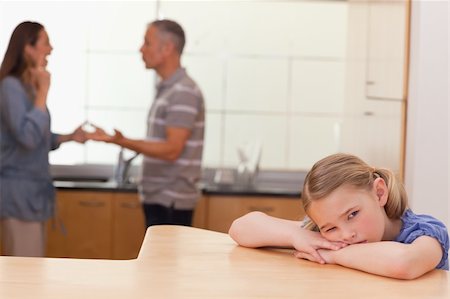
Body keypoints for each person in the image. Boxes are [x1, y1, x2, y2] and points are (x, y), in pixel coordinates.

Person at [229, 153, 449, 279]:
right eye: (330, 228)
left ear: (379, 193)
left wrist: (334, 255)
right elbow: (241, 228)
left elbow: (404, 263)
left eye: (352, 214)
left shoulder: (425, 232)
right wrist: (298, 236)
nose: (346, 235)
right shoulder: (326, 236)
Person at [87, 19, 205, 227]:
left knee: (166, 260)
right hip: (162, 198)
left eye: (147, 42)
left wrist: (122, 141)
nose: (141, 49)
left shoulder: (183, 92)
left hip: (171, 200)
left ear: (167, 48)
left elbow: (171, 150)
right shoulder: (168, 90)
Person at [0, 21, 87, 257]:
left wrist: (70, 137)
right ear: (28, 48)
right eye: (45, 43)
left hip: (33, 196)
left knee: (32, 268)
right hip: (19, 197)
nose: (51, 48)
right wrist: (44, 92)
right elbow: (27, 137)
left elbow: (39, 140)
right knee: (25, 275)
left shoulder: (28, 88)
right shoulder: (10, 87)